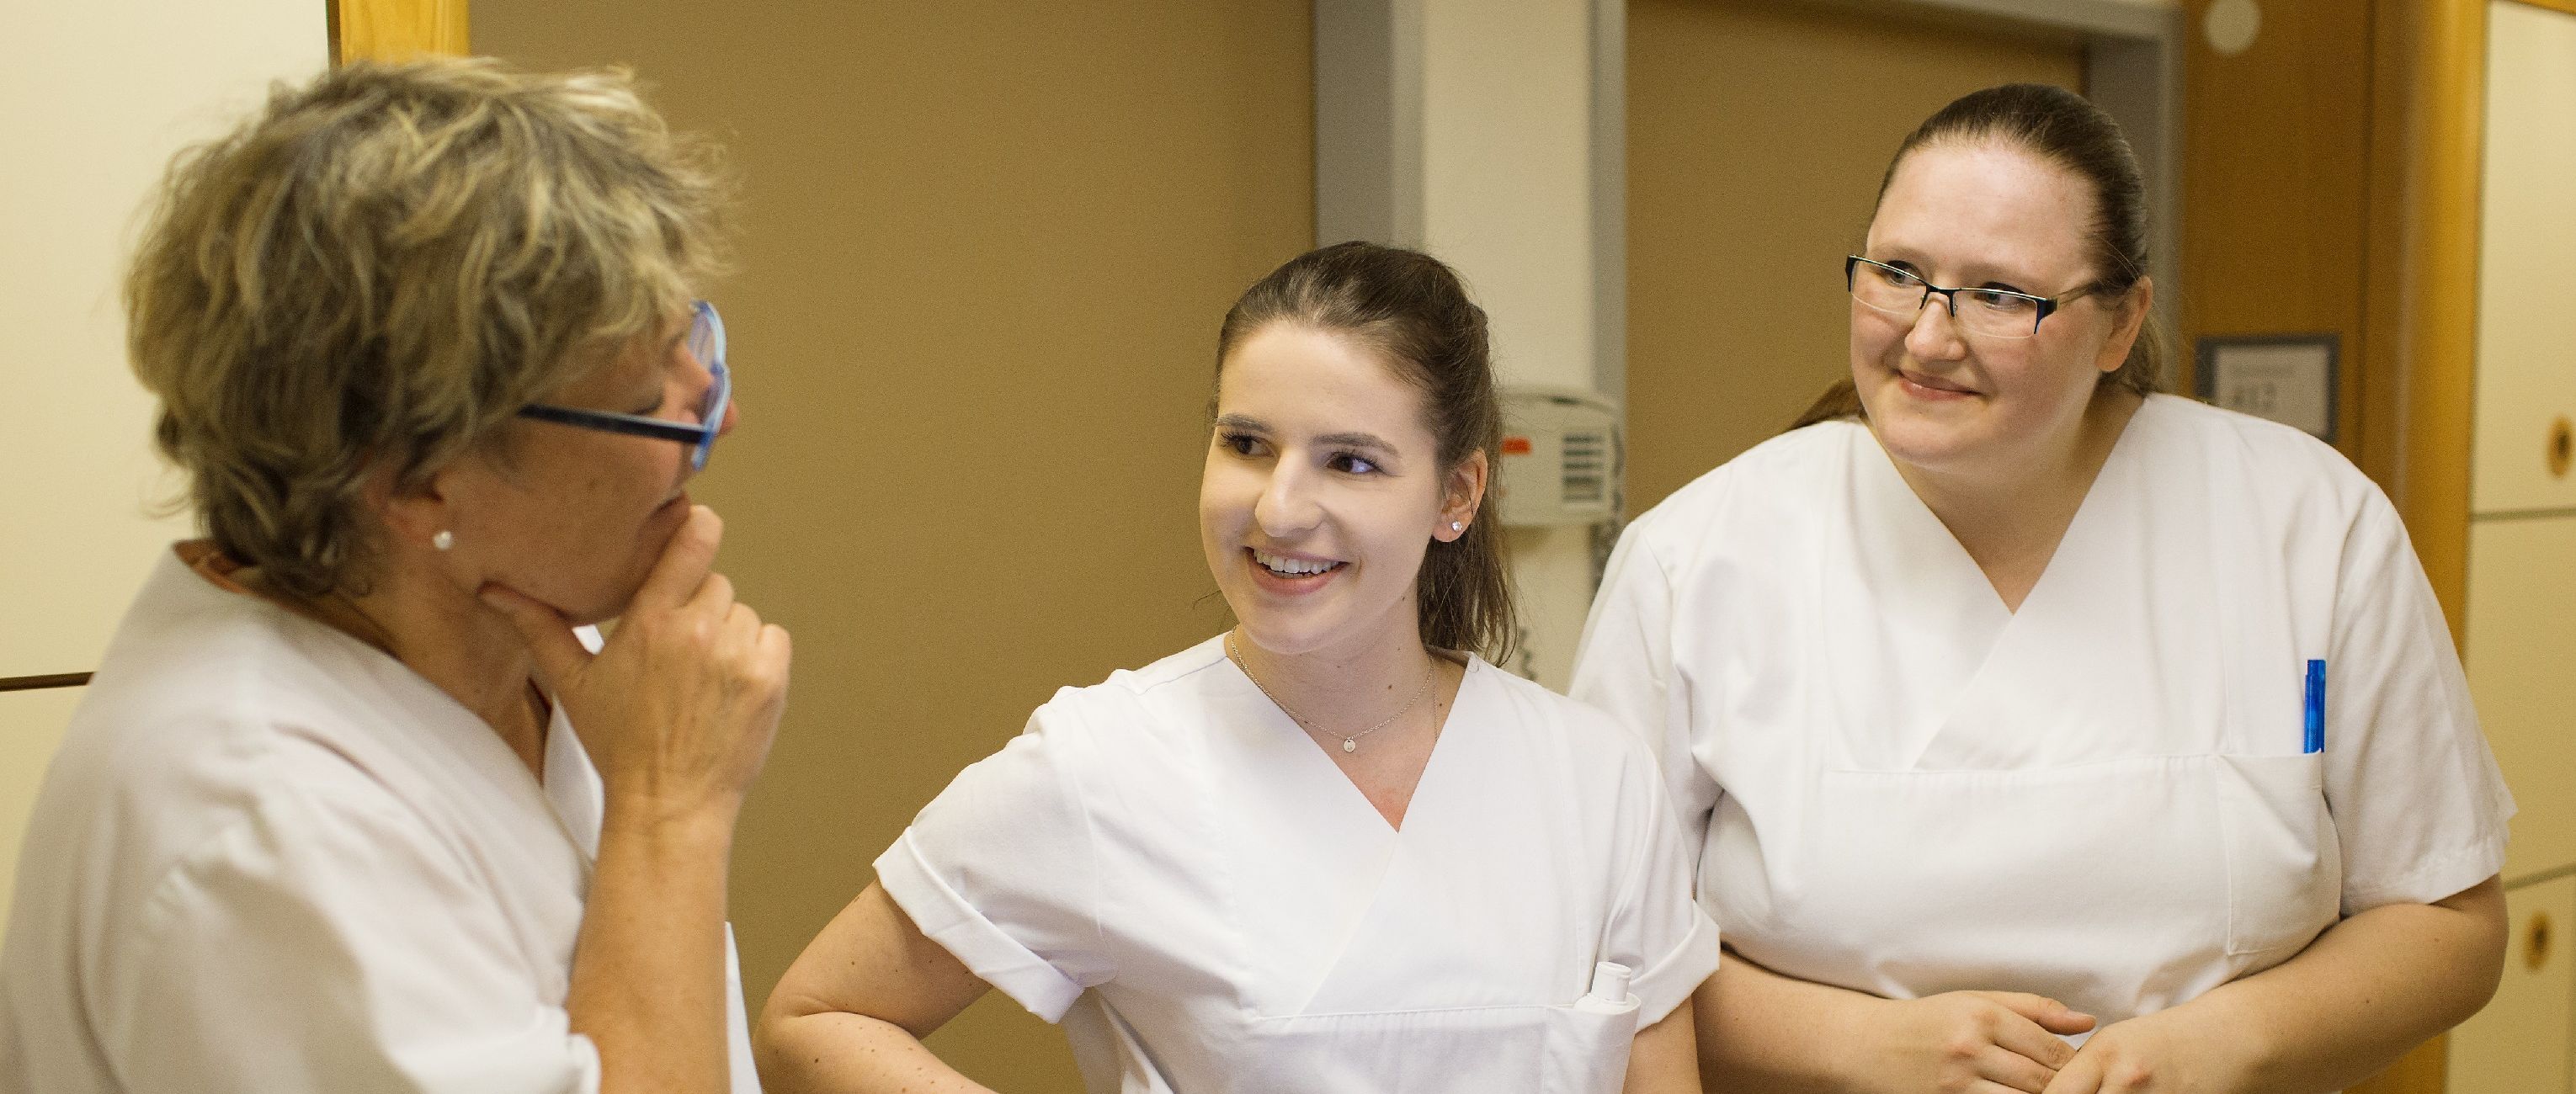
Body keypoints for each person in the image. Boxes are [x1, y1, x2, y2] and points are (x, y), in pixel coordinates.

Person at [1570, 83, 2513, 1094]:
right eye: (1897, 273)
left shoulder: (2308, 524)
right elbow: (1591, 947)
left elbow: (2447, 920)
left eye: (1999, 294)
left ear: (2121, 324)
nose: (1928, 336)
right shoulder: (1698, 557)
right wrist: (1859, 1046)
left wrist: (2222, 1043)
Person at [756, 242, 1718, 1093]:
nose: (1278, 509)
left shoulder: (1599, 783)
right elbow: (816, 1022)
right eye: (1247, 444)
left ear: (1456, 493)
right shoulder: (1105, 764)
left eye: (1351, 462)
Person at [0, 59, 788, 1094]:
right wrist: (671, 813)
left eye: (694, 345)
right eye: (648, 397)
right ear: (418, 483)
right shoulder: (259, 822)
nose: (717, 414)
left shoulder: (535, 648)